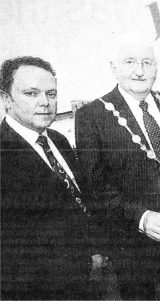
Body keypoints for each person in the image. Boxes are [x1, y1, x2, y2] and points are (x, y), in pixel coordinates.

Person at [75, 35, 160, 299]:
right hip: (130, 233)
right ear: (114, 67)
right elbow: (95, 186)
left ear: (156, 66)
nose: (140, 70)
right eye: (130, 62)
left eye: (147, 62)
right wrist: (142, 218)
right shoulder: (92, 116)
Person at [0, 56, 101, 299]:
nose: (45, 102)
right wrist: (84, 265)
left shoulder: (58, 140)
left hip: (87, 283)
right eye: (31, 93)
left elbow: (80, 204)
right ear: (6, 99)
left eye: (51, 93)